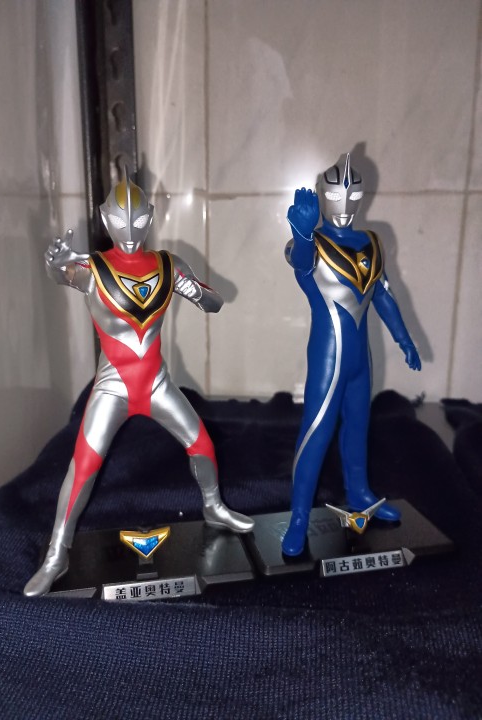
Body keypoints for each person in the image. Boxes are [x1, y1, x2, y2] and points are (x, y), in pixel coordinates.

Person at [24, 170, 253, 597]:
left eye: (138, 220)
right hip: (112, 388)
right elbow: (64, 274)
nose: (129, 231)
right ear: (105, 219)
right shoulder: (93, 269)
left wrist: (195, 290)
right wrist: (56, 265)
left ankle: (213, 506)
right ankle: (57, 552)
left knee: (201, 443)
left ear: (150, 216)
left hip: (156, 383)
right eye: (119, 220)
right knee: (83, 467)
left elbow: (215, 302)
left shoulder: (168, 264)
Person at [282, 153, 421, 557]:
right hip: (329, 357)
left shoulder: (370, 243)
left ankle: (359, 494)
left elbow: (384, 295)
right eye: (335, 196)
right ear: (324, 196)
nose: (344, 206)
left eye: (353, 196)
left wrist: (404, 338)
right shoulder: (312, 244)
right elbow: (300, 264)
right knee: (316, 433)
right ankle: (298, 518)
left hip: (360, 360)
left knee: (358, 426)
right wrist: (303, 233)